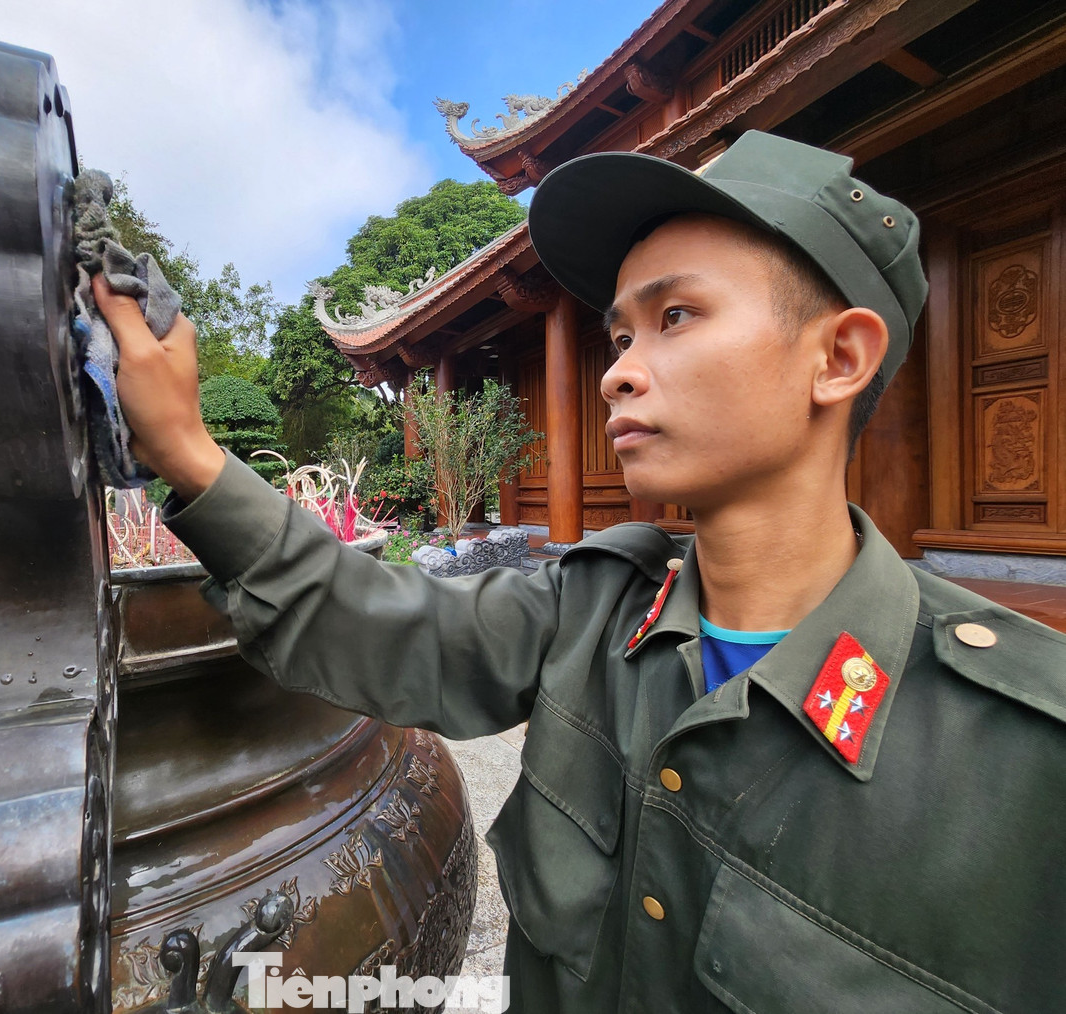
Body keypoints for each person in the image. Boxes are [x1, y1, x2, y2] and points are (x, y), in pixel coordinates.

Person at [94, 131, 1066, 1013]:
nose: (617, 372)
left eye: (676, 315)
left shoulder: (1024, 755)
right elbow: (376, 622)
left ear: (839, 357)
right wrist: (189, 452)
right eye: (621, 336)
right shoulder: (593, 607)